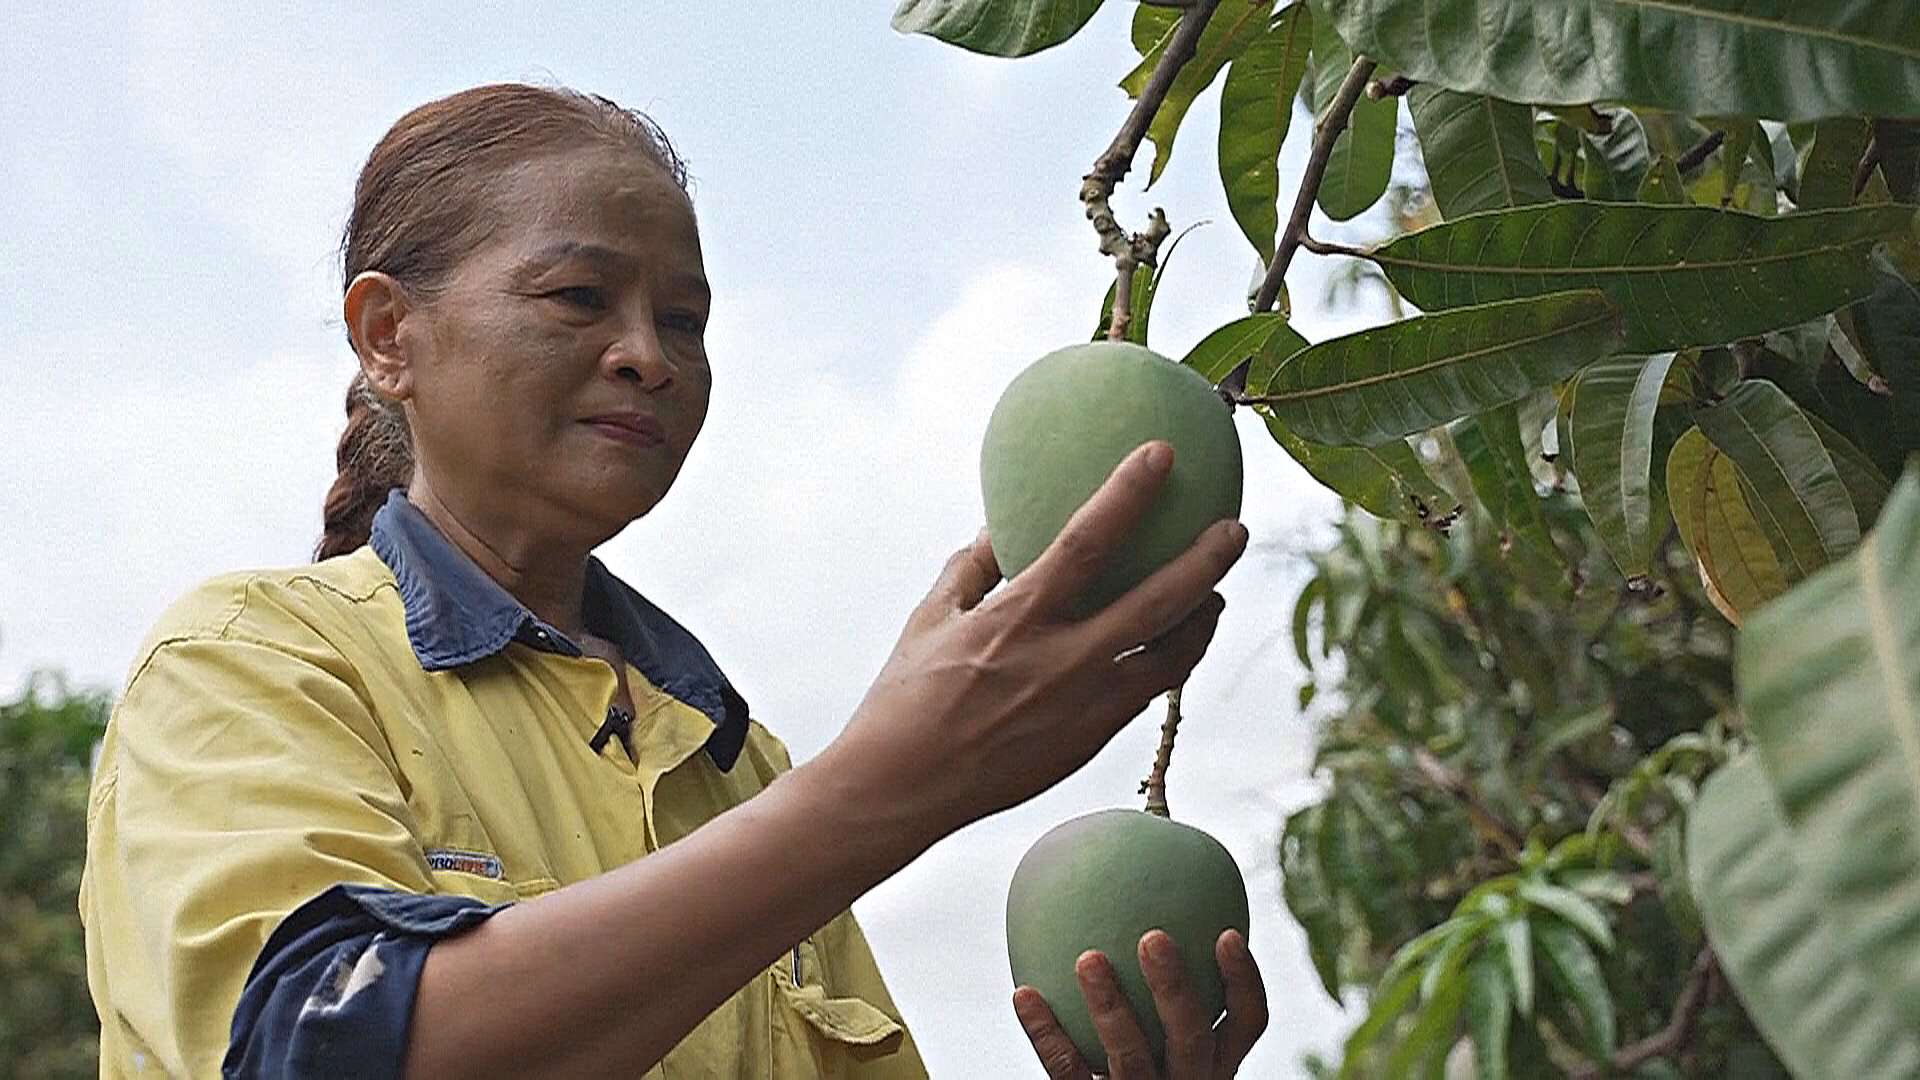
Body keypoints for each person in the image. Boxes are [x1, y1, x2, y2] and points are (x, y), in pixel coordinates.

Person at [79, 83, 1266, 1079]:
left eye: (685, 319)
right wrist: (894, 788)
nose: (650, 355)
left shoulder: (736, 771)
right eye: (579, 298)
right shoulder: (249, 660)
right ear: (389, 336)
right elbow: (314, 1046)